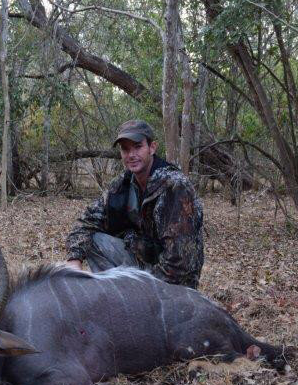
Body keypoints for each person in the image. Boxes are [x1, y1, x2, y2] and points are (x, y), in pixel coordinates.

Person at [65, 120, 204, 288]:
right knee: (95, 240)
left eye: (137, 147)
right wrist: (74, 261)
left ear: (152, 148)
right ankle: (116, 296)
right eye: (125, 149)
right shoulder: (121, 185)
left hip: (174, 282)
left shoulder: (174, 186)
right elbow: (86, 223)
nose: (131, 155)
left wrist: (144, 291)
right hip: (142, 264)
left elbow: (180, 263)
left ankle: (131, 299)